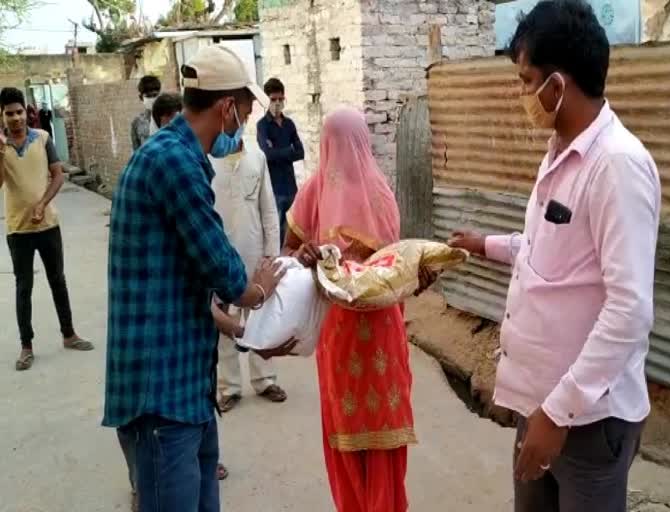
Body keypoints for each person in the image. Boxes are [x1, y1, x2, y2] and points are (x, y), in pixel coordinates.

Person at [449, 2, 661, 511]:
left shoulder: (617, 166)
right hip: (540, 403)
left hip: (585, 418)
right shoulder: (561, 153)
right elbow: (549, 253)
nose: (521, 94)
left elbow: (629, 309)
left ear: (558, 86)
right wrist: (486, 244)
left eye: (526, 81)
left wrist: (558, 413)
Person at [104, 45, 295, 512]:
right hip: (160, 394)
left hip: (187, 390)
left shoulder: (174, 152)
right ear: (227, 107)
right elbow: (224, 270)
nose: (244, 126)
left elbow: (180, 281)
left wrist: (244, 330)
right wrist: (262, 290)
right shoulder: (174, 163)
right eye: (245, 113)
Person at [283, 107, 436, 512]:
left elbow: (399, 265)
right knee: (352, 429)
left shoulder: (374, 192)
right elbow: (288, 252)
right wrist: (304, 253)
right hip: (346, 331)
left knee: (375, 430)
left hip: (362, 330)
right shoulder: (318, 191)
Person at [0, 87, 92, 372]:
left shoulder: (42, 138)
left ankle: (69, 334)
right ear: (1, 116)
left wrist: (42, 204)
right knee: (23, 287)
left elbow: (57, 175)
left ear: (25, 112)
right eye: (8, 113)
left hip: (48, 224)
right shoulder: (1, 148)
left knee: (57, 280)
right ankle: (26, 346)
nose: (15, 118)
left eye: (18, 112)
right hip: (18, 229)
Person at [211, 125, 288, 411]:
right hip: (220, 255)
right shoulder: (206, 159)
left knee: (261, 317)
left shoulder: (257, 157)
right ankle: (229, 386)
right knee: (223, 321)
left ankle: (265, 379)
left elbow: (269, 209)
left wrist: (271, 253)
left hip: (256, 254)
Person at [257, 77, 304, 244]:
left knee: (294, 229)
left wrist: (279, 152)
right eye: (273, 99)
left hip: (291, 186)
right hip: (274, 188)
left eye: (280, 99)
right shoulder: (262, 126)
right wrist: (288, 151)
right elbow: (267, 154)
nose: (277, 103)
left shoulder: (289, 124)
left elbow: (300, 152)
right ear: (266, 100)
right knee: (276, 232)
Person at [130, 75, 161, 151]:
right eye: (148, 96)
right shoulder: (137, 122)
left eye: (155, 95)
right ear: (141, 98)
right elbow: (136, 152)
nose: (152, 99)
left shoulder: (169, 118)